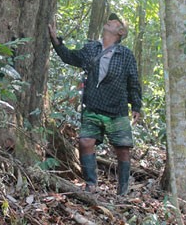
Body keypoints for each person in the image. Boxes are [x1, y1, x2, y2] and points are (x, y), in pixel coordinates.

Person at [48, 13, 142, 195]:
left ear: (120, 31)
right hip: (93, 106)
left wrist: (136, 106)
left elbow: (133, 82)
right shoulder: (91, 48)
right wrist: (55, 40)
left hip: (117, 110)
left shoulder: (126, 55)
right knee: (85, 142)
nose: (110, 20)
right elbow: (70, 57)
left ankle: (122, 191)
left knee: (123, 150)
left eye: (115, 21)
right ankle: (91, 184)